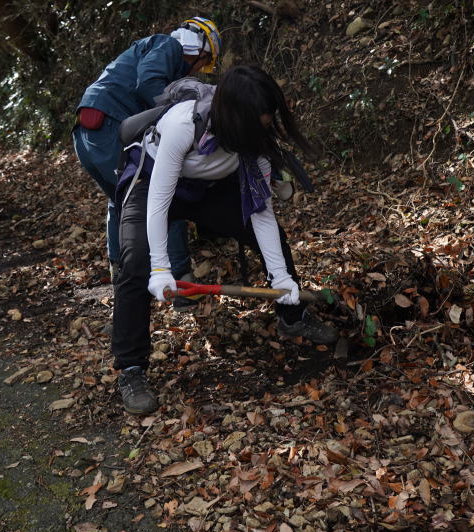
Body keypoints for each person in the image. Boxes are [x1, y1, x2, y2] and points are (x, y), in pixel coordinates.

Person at [113, 65, 337, 415]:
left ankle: (292, 316)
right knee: (135, 263)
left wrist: (281, 278)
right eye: (259, 124)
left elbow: (260, 212)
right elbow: (158, 200)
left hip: (206, 188)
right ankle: (131, 368)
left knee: (271, 236)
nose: (264, 131)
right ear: (237, 120)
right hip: (150, 181)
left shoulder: (255, 141)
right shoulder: (183, 124)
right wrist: (160, 266)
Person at [74, 17, 221, 296]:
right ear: (200, 50)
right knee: (164, 191)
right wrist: (185, 114)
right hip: (109, 127)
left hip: (88, 133)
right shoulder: (168, 46)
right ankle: (180, 281)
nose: (201, 69)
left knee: (121, 199)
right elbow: (149, 83)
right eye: (204, 62)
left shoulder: (155, 51)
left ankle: (122, 276)